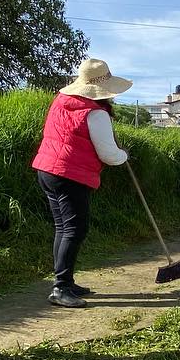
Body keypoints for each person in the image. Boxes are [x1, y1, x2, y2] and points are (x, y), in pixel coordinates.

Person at [31, 58, 131, 309]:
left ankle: (65, 281)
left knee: (63, 227)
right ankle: (61, 288)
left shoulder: (62, 101)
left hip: (47, 169)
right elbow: (109, 155)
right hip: (69, 174)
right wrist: (124, 156)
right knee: (75, 228)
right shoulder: (96, 113)